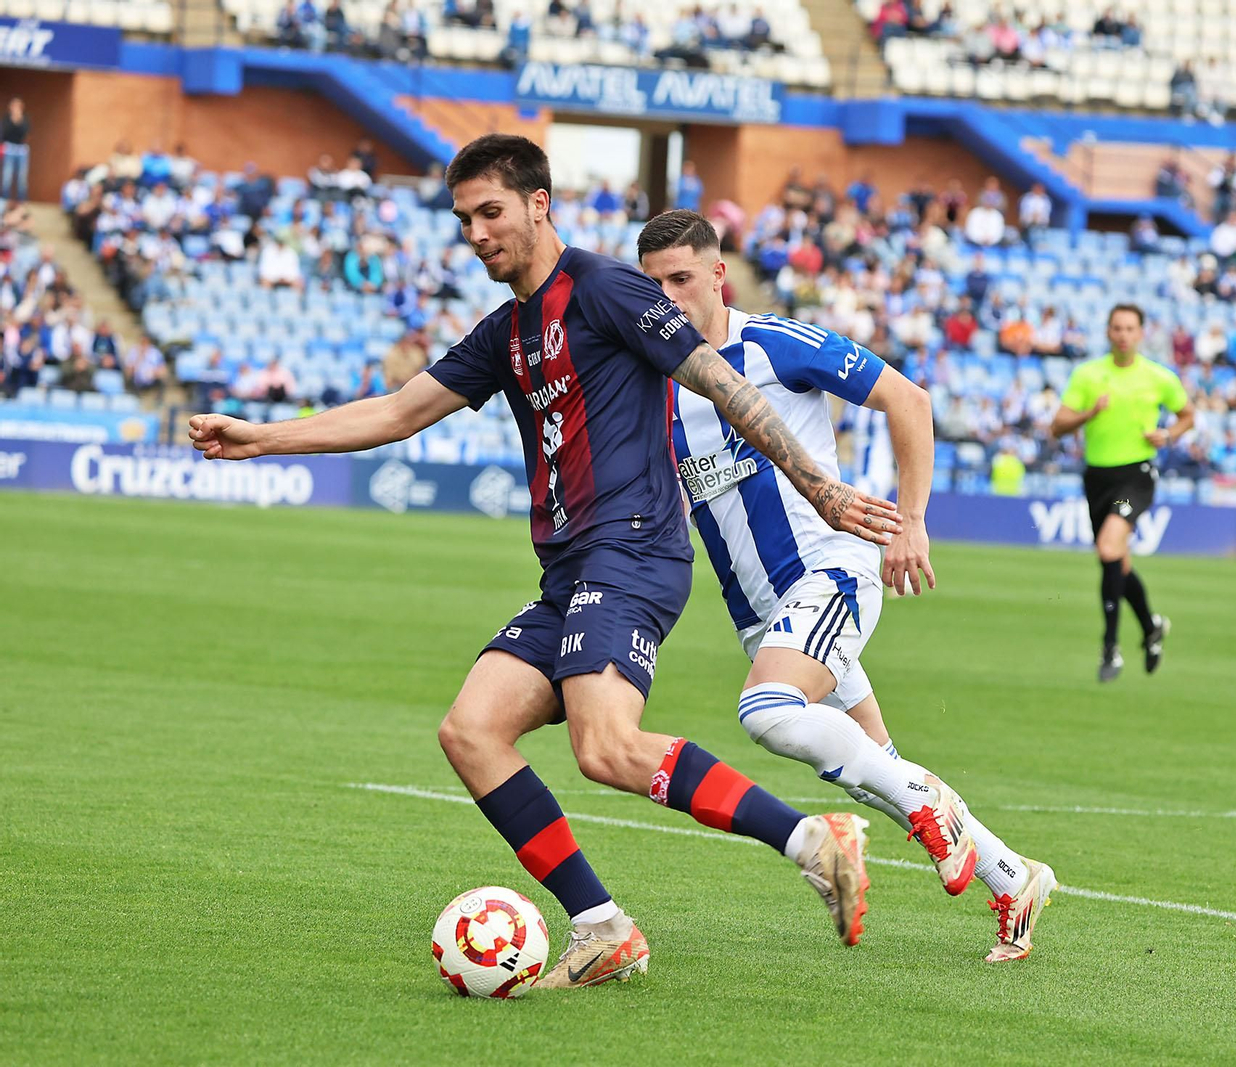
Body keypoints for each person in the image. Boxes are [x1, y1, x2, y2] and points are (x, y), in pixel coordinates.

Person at [189, 134, 899, 988]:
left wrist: (817, 483)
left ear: (538, 204)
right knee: (472, 731)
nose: (478, 232)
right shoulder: (506, 331)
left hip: (632, 547)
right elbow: (401, 410)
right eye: (464, 219)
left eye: (492, 212)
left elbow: (718, 379)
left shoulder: (608, 290)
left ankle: (814, 840)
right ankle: (603, 927)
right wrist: (260, 437)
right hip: (569, 570)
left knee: (605, 745)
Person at [638, 209, 1055, 961]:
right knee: (879, 771)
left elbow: (910, 399)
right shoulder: (656, 384)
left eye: (681, 279)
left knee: (767, 710)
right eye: (654, 286)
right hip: (764, 615)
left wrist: (911, 522)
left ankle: (943, 816)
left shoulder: (773, 344)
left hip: (830, 571)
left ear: (718, 274)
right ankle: (1015, 878)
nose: (668, 297)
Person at [1051, 305, 1194, 682]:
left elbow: (1188, 415)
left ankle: (1110, 647)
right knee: (1117, 562)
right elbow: (1057, 426)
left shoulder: (1159, 377)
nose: (1123, 334)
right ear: (1108, 332)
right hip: (1097, 478)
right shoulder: (1088, 374)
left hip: (1136, 476)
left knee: (1108, 548)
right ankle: (1150, 627)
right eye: (1117, 327)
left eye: (1130, 328)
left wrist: (1169, 435)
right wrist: (1088, 415)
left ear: (1141, 333)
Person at [0, 98, 28, 203]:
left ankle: (22, 201)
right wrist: (13, 120)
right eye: (13, 106)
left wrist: (19, 119)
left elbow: (24, 132)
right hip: (9, 148)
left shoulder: (25, 118)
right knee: (7, 176)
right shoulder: (6, 119)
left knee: (22, 177)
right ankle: (4, 200)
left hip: (21, 149)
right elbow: (5, 133)